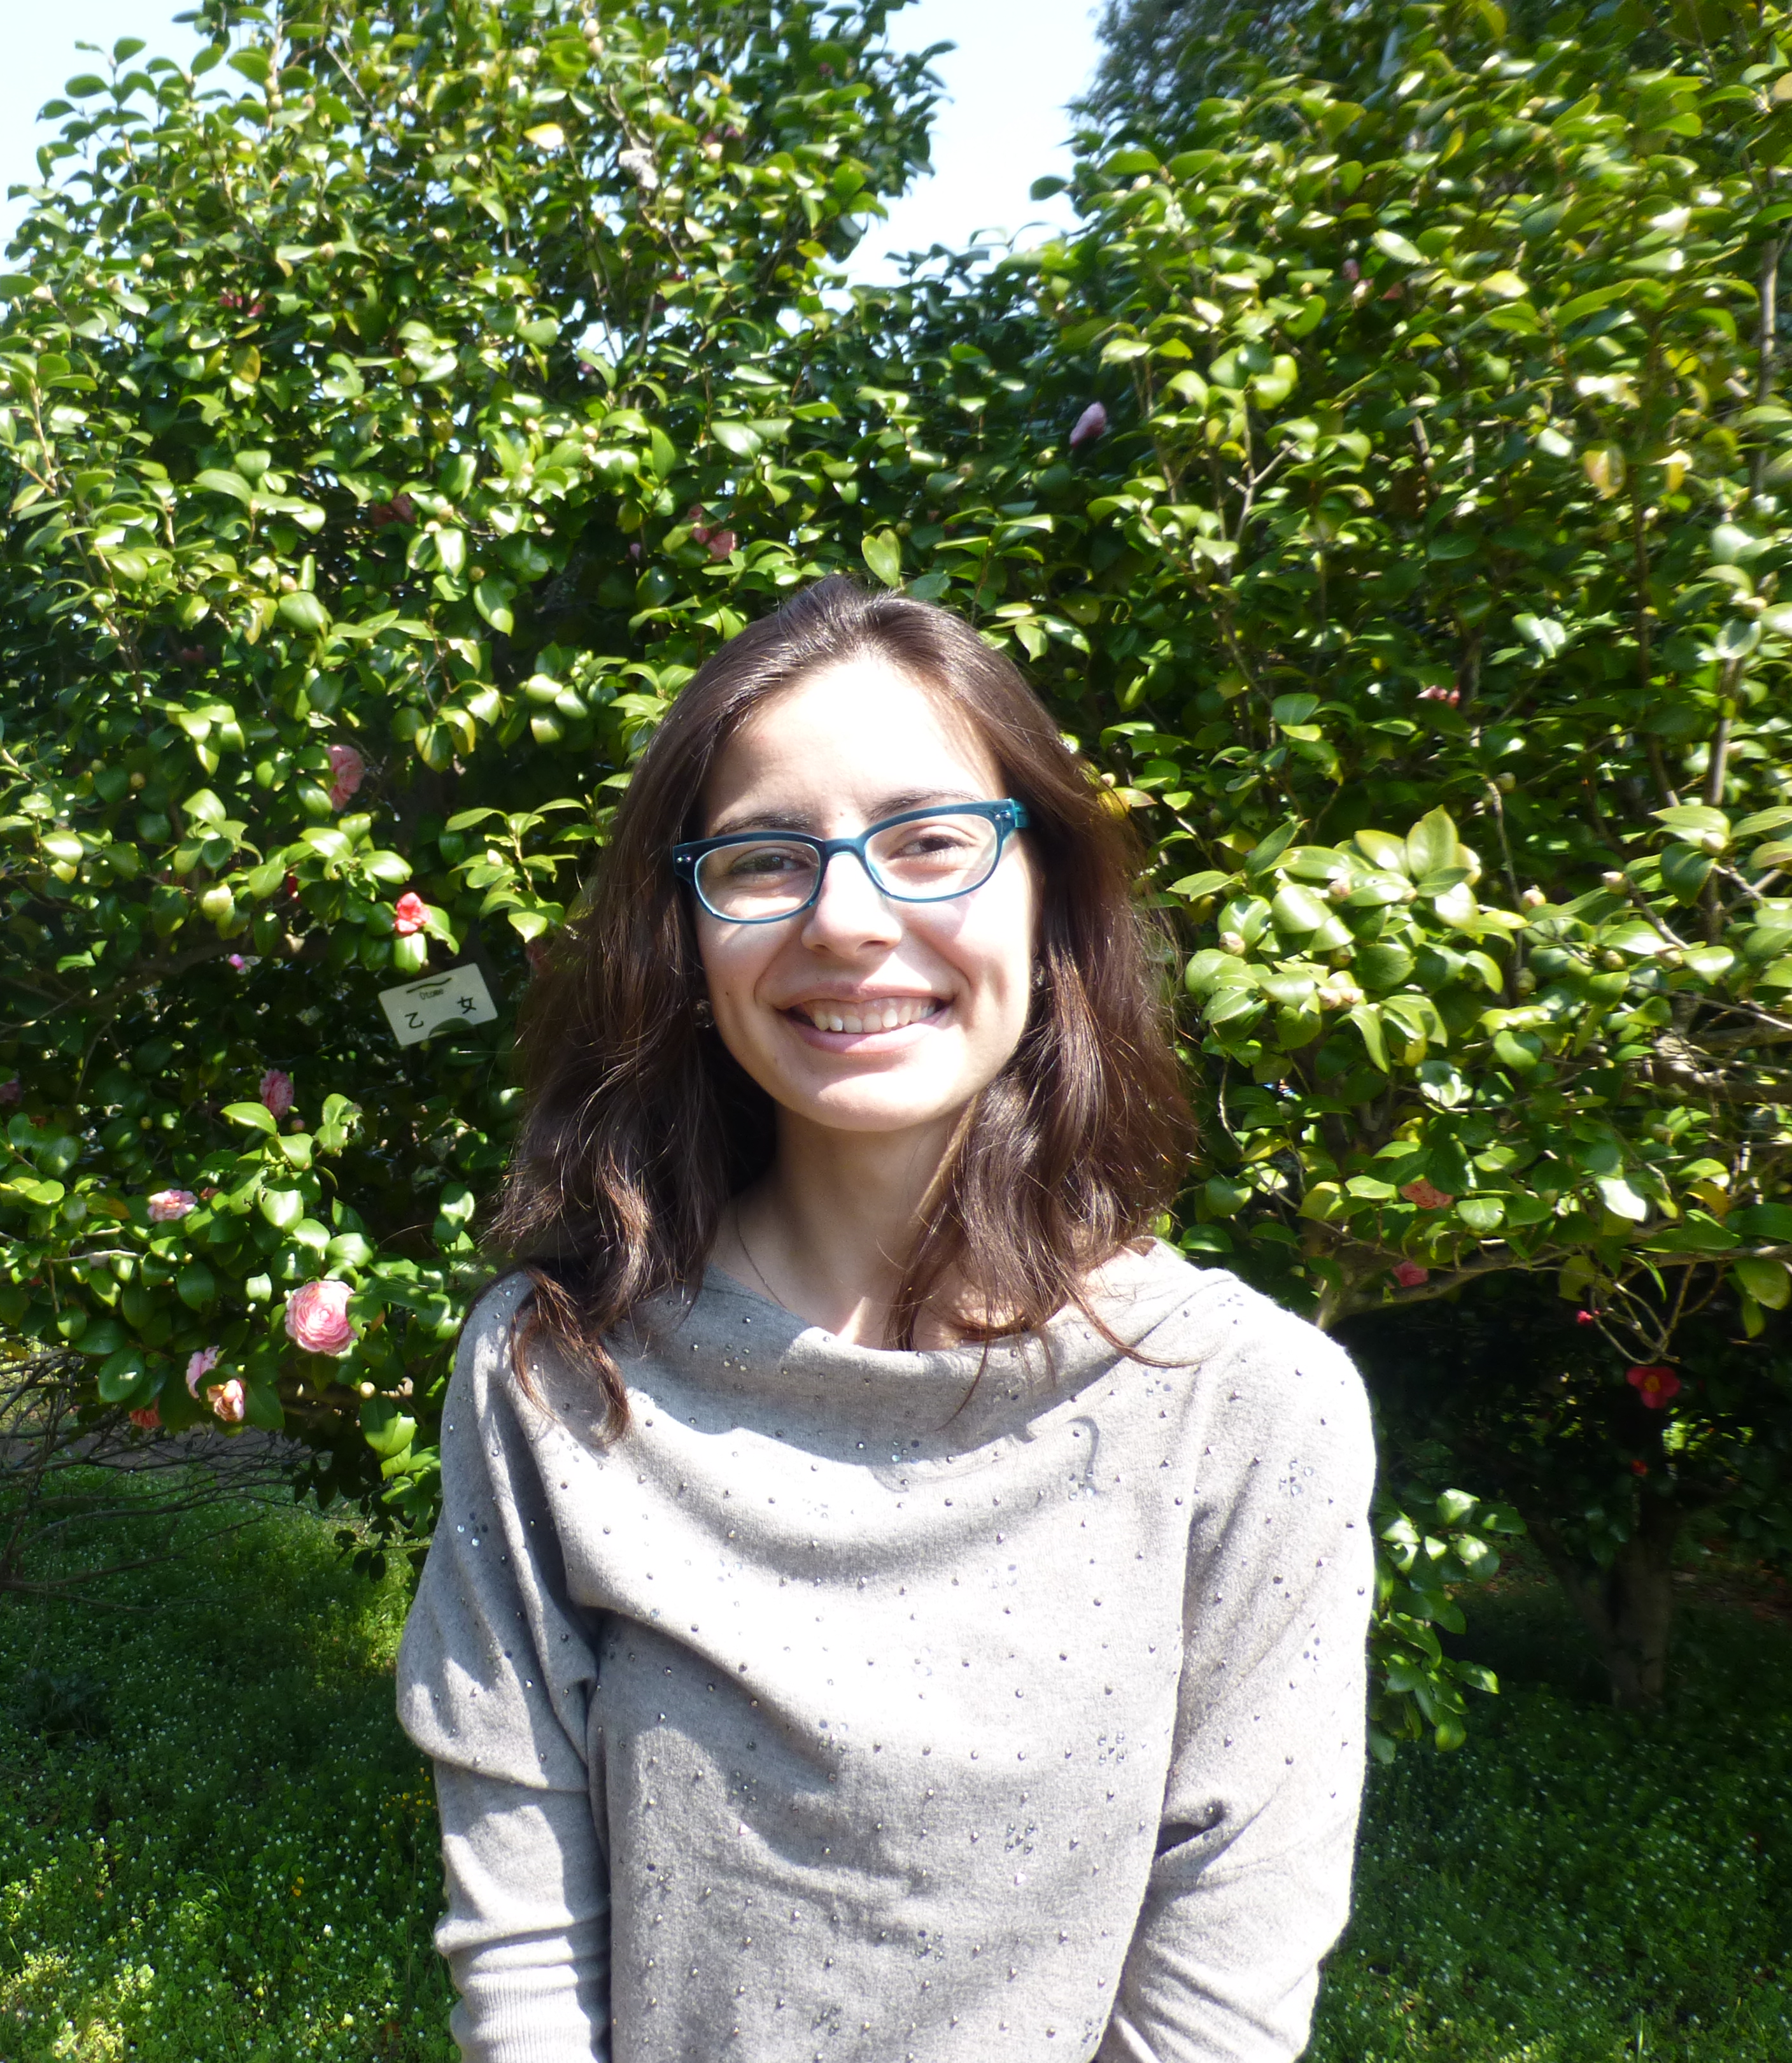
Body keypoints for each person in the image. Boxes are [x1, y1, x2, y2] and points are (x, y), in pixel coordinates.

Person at [395, 576, 1377, 2063]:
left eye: (929, 843)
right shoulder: (554, 1376)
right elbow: (524, 1949)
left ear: (1046, 892)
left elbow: (1218, 2004)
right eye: (764, 859)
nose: (847, 920)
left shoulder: (1245, 1409)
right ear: (690, 931)